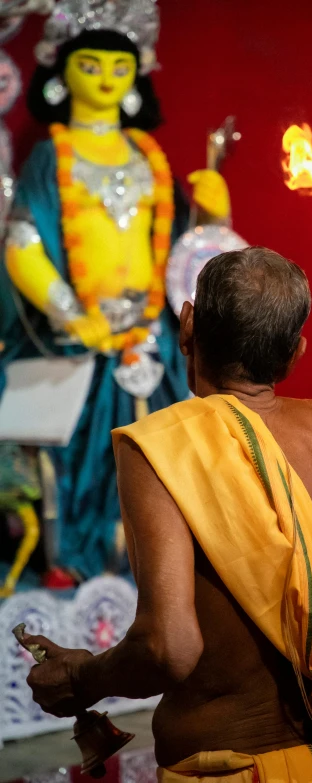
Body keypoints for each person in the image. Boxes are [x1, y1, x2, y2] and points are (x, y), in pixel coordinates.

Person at [24, 247, 312, 782]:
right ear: (295, 355)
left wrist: (82, 678)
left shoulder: (158, 448)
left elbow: (169, 648)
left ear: (187, 325)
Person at [0, 0, 230, 584]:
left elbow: (185, 252)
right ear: (63, 72)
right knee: (80, 464)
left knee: (164, 461)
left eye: (118, 67)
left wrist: (213, 211)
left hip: (151, 342)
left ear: (137, 76)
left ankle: (155, 579)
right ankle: (74, 572)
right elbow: (22, 241)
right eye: (91, 65)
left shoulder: (149, 158)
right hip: (78, 342)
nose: (105, 78)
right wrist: (71, 312)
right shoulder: (52, 157)